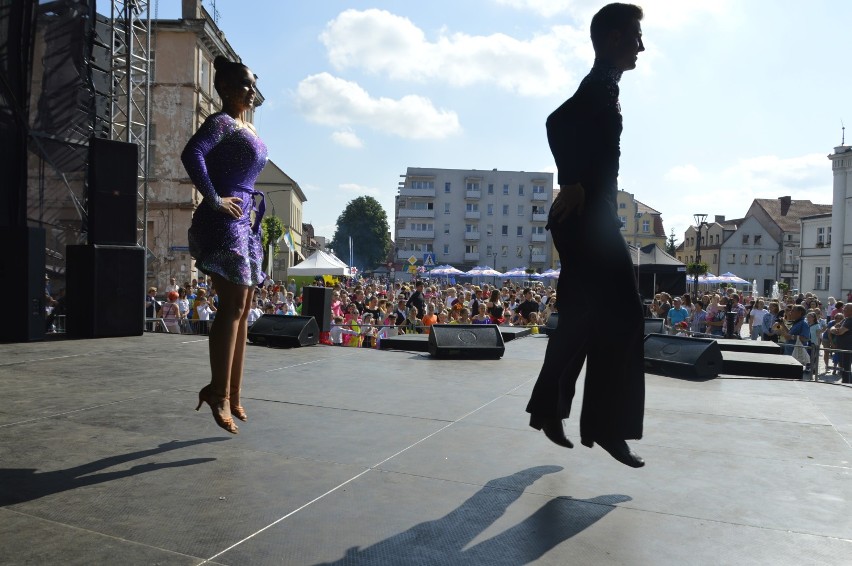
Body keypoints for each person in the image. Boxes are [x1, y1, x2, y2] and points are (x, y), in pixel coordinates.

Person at [526, 3, 646, 468]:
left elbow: (562, 125)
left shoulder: (603, 85)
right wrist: (573, 179)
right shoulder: (598, 86)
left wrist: (576, 181)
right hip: (588, 221)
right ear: (614, 38)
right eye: (635, 36)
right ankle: (607, 427)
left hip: (587, 218)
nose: (642, 46)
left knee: (581, 317)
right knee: (626, 316)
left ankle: (549, 409)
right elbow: (556, 122)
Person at [182, 56, 268, 434]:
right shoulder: (221, 122)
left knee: (243, 307)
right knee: (232, 307)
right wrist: (214, 198)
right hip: (224, 220)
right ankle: (218, 392)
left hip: (244, 221)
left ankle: (232, 393)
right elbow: (192, 153)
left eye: (253, 84)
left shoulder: (244, 127)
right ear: (226, 88)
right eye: (246, 84)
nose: (252, 91)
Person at [829, 303, 852, 383]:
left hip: (847, 348)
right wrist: (833, 329)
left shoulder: (850, 320)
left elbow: (839, 332)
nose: (843, 310)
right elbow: (834, 327)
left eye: (845, 309)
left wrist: (833, 329)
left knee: (846, 368)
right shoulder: (845, 319)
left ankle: (847, 384)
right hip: (842, 348)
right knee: (843, 367)